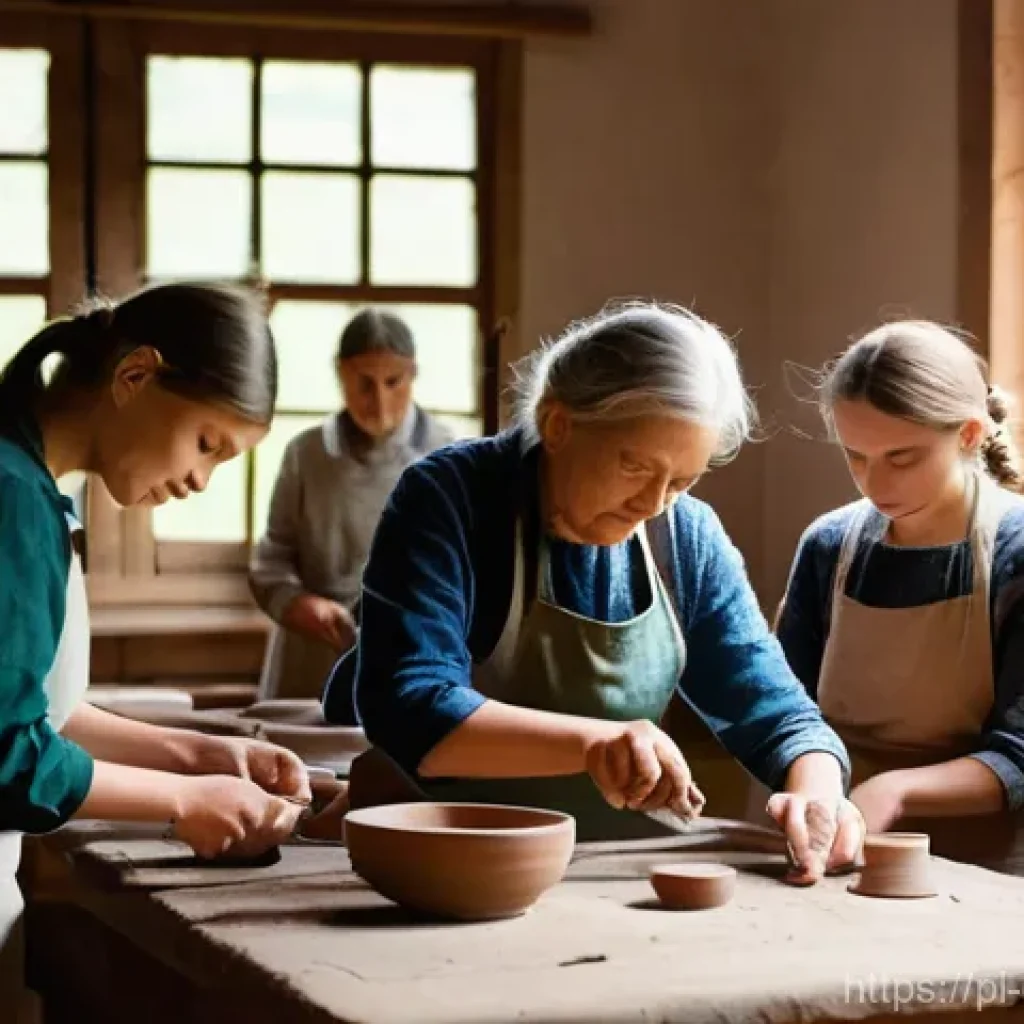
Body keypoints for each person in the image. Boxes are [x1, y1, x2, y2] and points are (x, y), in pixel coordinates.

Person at [323, 301, 864, 881]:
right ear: (558, 424)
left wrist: (818, 790)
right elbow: (410, 707)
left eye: (681, 481)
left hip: (606, 869)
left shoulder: (684, 537)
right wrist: (595, 743)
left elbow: (780, 715)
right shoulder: (452, 500)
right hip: (442, 862)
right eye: (635, 467)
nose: (653, 503)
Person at [0, 282, 312, 1014]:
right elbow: (8, 753)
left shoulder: (36, 490)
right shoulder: (11, 496)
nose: (201, 480)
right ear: (135, 375)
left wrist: (198, 754)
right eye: (207, 444)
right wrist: (184, 799)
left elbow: (37, 711)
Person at [775, 320, 1024, 872]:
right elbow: (783, 713)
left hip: (988, 866)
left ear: (969, 434)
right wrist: (809, 791)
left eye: (902, 457)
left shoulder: (1015, 553)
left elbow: (1020, 755)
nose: (875, 484)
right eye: (855, 456)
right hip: (835, 846)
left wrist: (894, 791)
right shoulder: (829, 546)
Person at [249, 309, 454, 705]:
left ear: (413, 373)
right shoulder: (305, 454)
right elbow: (271, 560)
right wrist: (299, 604)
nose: (379, 401)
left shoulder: (449, 455)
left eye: (393, 382)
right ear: (340, 374)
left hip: (410, 659)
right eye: (364, 384)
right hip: (310, 657)